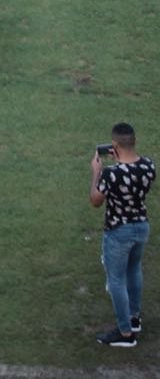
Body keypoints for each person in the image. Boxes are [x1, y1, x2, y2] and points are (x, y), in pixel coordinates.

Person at [90, 122, 152, 348]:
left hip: (119, 232)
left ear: (114, 145)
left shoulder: (111, 174)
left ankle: (125, 333)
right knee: (134, 270)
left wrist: (96, 174)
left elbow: (96, 201)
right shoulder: (148, 166)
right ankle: (134, 319)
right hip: (141, 227)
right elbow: (133, 178)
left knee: (116, 280)